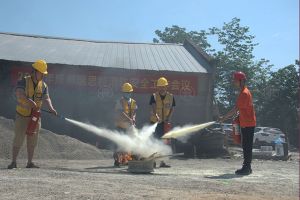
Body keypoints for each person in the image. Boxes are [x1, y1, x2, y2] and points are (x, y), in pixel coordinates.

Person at [8, 59, 57, 169]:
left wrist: (51, 108)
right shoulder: (24, 81)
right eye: (41, 73)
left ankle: (30, 163)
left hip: (35, 117)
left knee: (33, 141)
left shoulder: (43, 85)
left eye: (44, 73)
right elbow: (19, 94)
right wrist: (30, 102)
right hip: (22, 116)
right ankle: (13, 162)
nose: (43, 75)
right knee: (18, 139)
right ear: (35, 71)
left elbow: (46, 98)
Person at [219, 71, 256, 175]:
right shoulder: (243, 92)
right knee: (246, 145)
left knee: (247, 146)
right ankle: (247, 167)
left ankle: (247, 168)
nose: (234, 82)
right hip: (246, 122)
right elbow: (241, 109)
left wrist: (224, 117)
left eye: (235, 80)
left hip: (248, 123)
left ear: (241, 81)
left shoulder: (244, 93)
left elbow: (236, 109)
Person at [149, 77, 175, 168]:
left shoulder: (171, 96)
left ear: (166, 86)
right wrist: (157, 117)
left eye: (163, 86)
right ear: (158, 87)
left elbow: (172, 108)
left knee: (165, 142)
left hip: (165, 123)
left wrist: (168, 118)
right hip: (155, 123)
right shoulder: (154, 96)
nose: (162, 88)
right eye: (160, 86)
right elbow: (153, 107)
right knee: (155, 141)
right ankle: (153, 161)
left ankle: (162, 162)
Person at [113, 82, 137, 167]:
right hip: (120, 126)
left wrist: (133, 118)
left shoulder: (133, 102)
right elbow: (121, 112)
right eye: (126, 92)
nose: (128, 94)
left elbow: (134, 112)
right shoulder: (119, 101)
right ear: (123, 92)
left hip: (129, 127)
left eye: (129, 92)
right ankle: (117, 160)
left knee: (128, 144)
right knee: (119, 144)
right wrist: (129, 119)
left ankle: (125, 159)